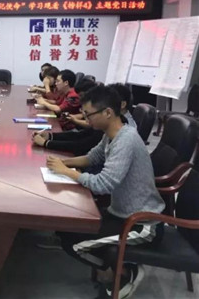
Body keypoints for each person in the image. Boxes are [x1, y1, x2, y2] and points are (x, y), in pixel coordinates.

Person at [45, 85, 165, 298]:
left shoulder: (126, 140)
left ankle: (123, 272)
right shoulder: (111, 134)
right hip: (119, 213)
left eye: (88, 115)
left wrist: (68, 172)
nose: (86, 119)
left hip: (142, 224)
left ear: (108, 112)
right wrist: (62, 163)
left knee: (74, 244)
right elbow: (92, 157)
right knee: (65, 229)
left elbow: (104, 184)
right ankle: (116, 268)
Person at [32, 78, 101, 156]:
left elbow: (81, 145)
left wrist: (46, 143)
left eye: (58, 81)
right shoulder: (97, 126)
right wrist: (49, 136)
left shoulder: (102, 129)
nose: (80, 100)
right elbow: (79, 135)